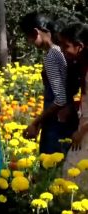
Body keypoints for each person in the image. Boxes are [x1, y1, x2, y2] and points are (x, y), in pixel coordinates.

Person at [20, 12, 78, 155]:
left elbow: (60, 99)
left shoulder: (52, 56)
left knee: (51, 168)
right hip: (66, 119)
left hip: (56, 124)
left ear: (35, 32)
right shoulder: (61, 51)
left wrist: (36, 122)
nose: (28, 41)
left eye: (27, 37)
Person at [59, 22, 88, 191]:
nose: (63, 50)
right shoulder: (83, 66)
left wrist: (82, 131)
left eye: (66, 45)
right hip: (83, 126)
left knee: (73, 174)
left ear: (80, 46)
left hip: (85, 131)